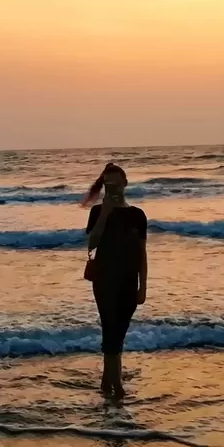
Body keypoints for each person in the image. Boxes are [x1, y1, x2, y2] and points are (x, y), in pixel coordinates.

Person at [82, 163, 148, 400]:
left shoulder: (137, 215)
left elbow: (142, 253)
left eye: (116, 183)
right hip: (105, 279)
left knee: (118, 332)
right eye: (108, 184)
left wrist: (143, 287)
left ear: (125, 183)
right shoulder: (98, 212)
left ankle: (106, 381)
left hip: (129, 281)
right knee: (111, 330)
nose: (113, 188)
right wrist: (106, 214)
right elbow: (92, 244)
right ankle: (116, 385)